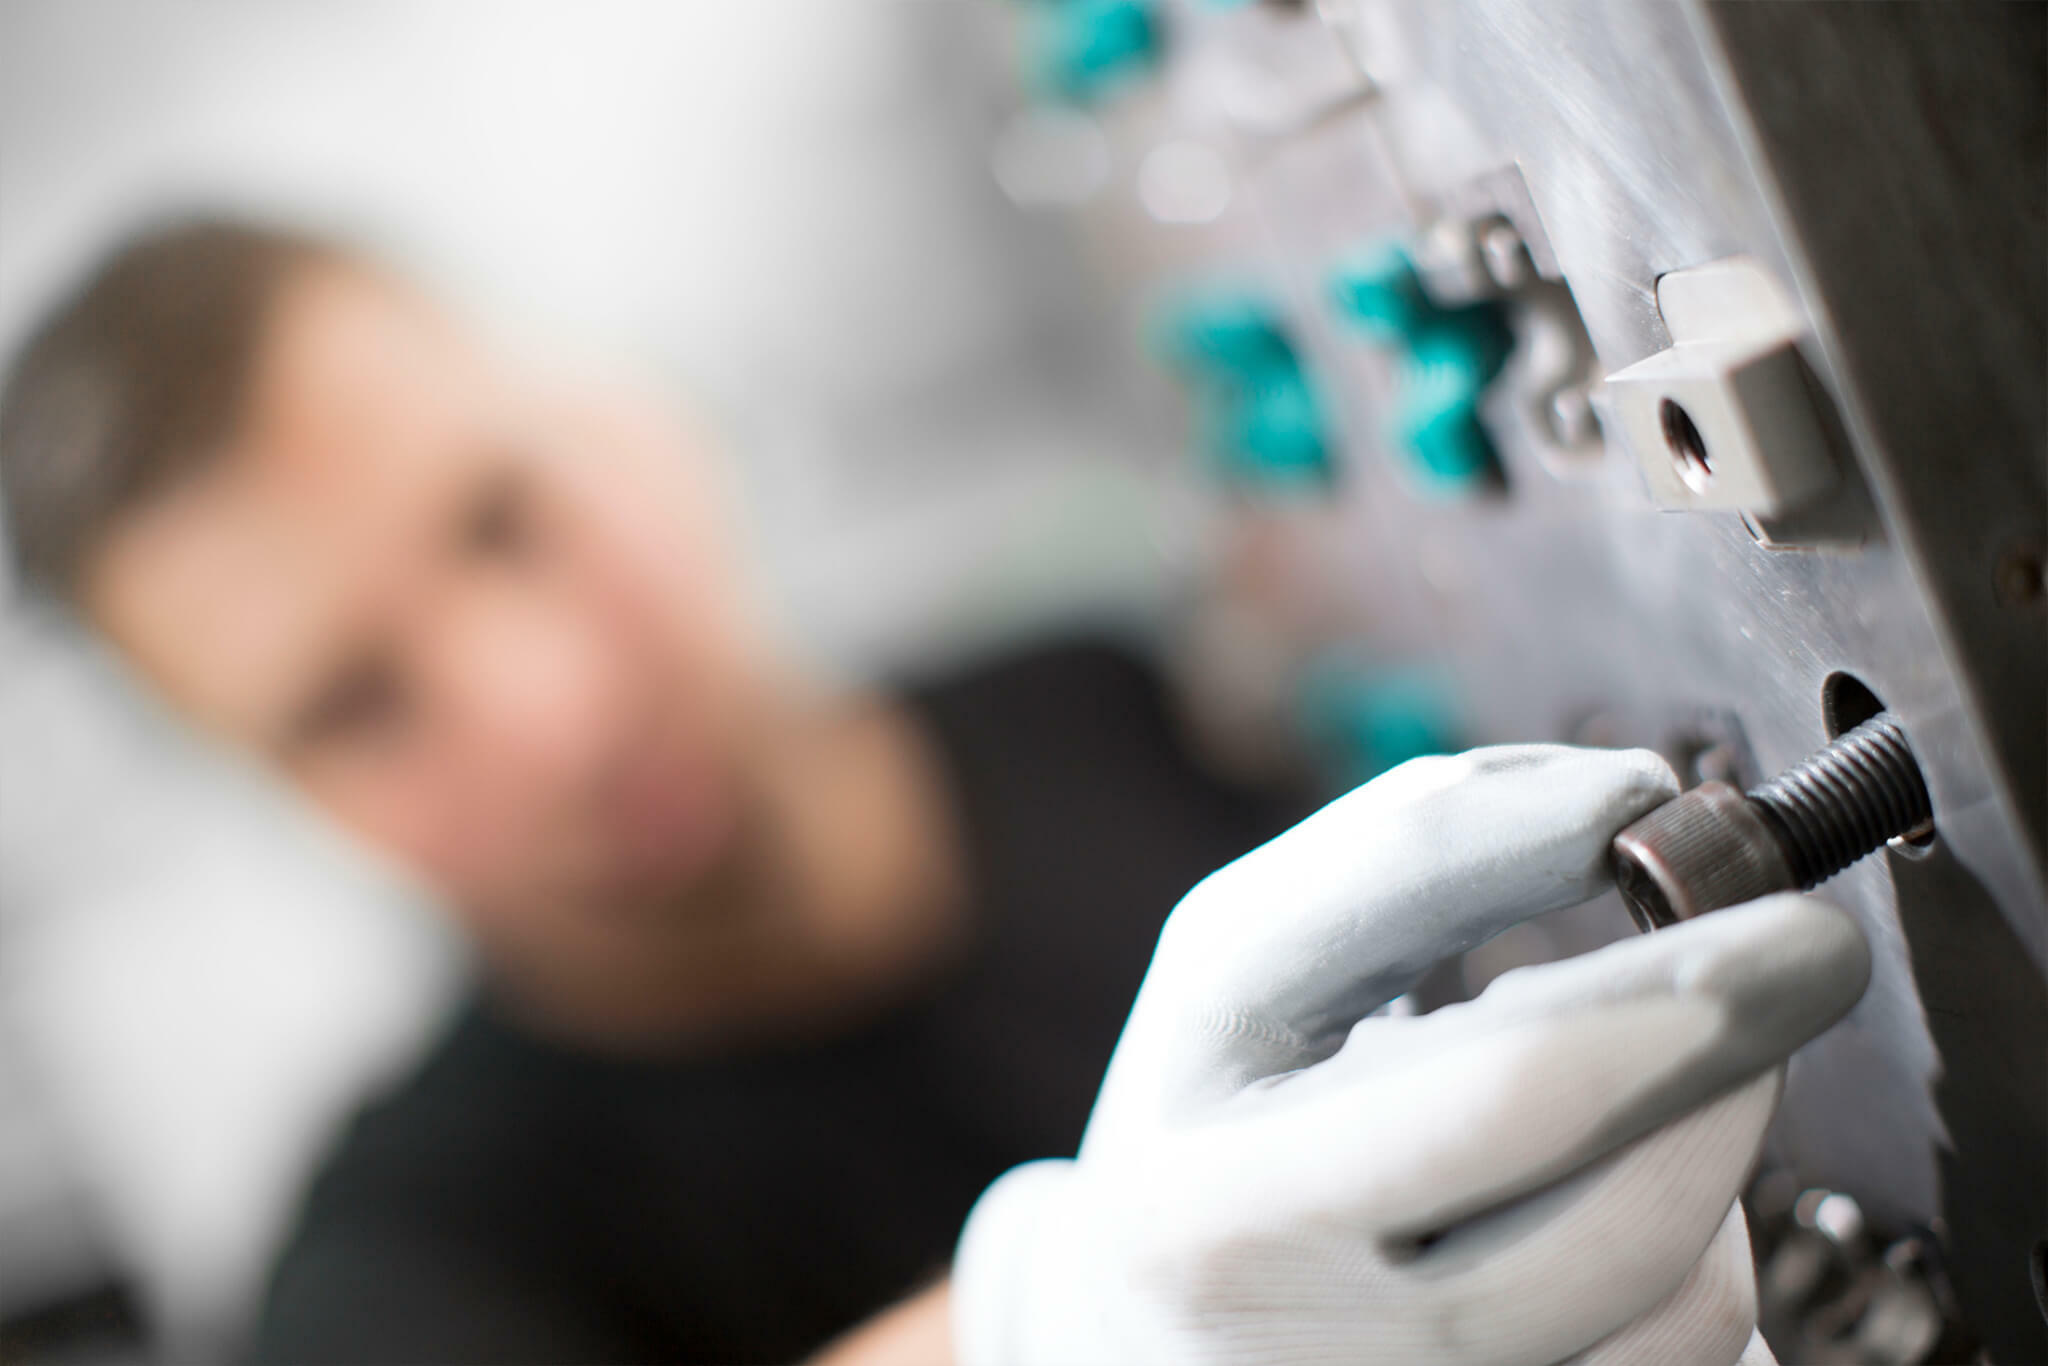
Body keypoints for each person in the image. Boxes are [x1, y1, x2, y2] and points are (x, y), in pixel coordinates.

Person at [0, 220, 1869, 1366]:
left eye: (504, 518)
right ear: (288, 801)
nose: (548, 706)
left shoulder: (1117, 693)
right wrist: (1062, 1334)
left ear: (619, 415)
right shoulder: (410, 1252)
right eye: (355, 703)